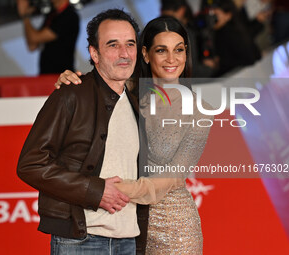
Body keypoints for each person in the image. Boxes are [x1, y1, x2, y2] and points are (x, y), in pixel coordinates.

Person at [56, 16, 213, 254]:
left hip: (174, 228)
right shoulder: (125, 92)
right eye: (162, 50)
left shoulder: (201, 111)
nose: (172, 59)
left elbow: (170, 179)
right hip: (126, 223)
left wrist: (106, 190)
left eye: (179, 50)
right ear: (146, 54)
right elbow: (90, 89)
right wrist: (69, 81)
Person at [17, 9, 149, 255]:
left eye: (130, 44)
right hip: (81, 242)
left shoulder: (138, 99)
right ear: (94, 53)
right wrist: (95, 191)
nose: (124, 53)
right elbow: (30, 164)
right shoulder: (70, 94)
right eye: (113, 45)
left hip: (129, 240)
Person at [16, 0, 79, 74]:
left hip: (60, 76)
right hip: (46, 75)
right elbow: (32, 45)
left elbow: (34, 38)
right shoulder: (52, 15)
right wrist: (26, 15)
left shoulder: (69, 16)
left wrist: (25, 16)